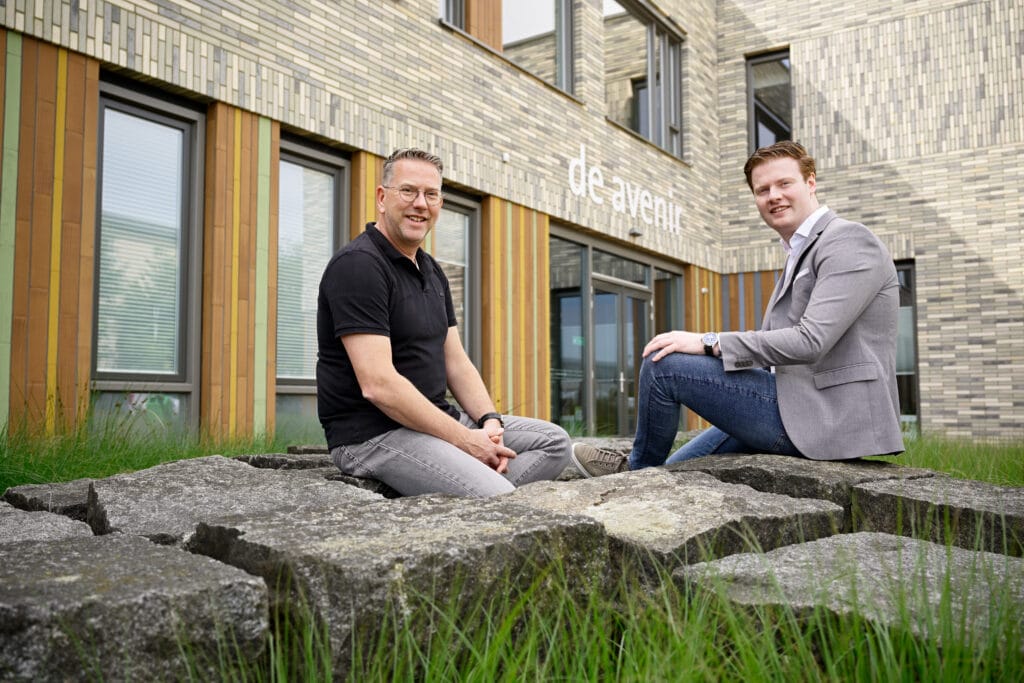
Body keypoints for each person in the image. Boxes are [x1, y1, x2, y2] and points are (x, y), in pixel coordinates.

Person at [571, 141, 904, 476]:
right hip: (793, 402)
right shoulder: (799, 250)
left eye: (784, 183)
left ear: (811, 183)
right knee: (674, 469)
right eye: (763, 190)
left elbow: (811, 340)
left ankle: (636, 468)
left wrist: (708, 342)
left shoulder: (847, 240)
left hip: (826, 416)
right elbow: (777, 349)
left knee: (664, 365)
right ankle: (641, 476)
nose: (774, 196)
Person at [317, 148, 571, 497]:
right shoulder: (359, 266)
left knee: (555, 443)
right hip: (374, 434)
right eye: (408, 191)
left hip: (435, 419)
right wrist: (466, 442)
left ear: (440, 203)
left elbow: (456, 361)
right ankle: (485, 492)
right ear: (382, 197)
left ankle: (470, 489)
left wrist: (489, 421)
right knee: (496, 495)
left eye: (431, 194)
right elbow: (378, 385)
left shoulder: (431, 270)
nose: (420, 203)